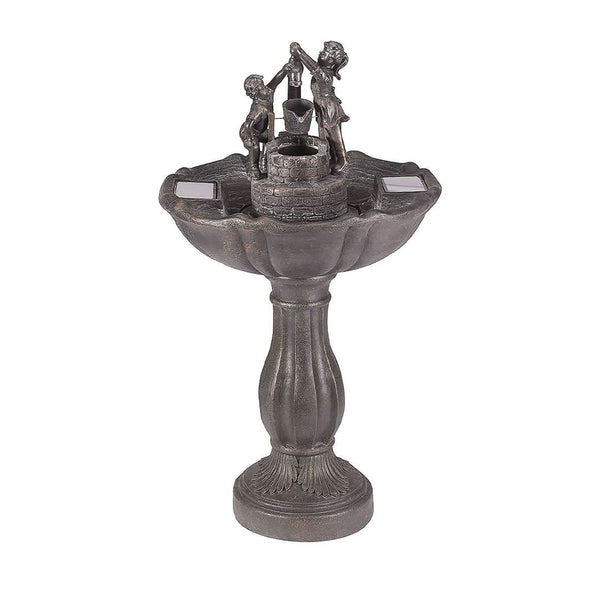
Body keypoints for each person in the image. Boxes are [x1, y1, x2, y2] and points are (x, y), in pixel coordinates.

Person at [290, 41, 349, 173]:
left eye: (324, 53)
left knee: (335, 136)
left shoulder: (325, 75)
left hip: (329, 108)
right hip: (321, 107)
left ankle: (343, 160)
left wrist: (300, 52)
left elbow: (313, 68)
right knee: (325, 136)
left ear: (330, 60)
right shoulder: (325, 72)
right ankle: (332, 159)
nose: (320, 53)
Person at [240, 62, 292, 178]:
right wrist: (251, 138)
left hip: (262, 130)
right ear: (256, 91)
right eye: (262, 87)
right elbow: (248, 124)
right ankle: (253, 167)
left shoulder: (268, 93)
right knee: (254, 147)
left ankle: (263, 161)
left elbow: (276, 80)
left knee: (269, 141)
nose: (266, 89)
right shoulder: (258, 109)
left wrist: (284, 70)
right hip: (250, 132)